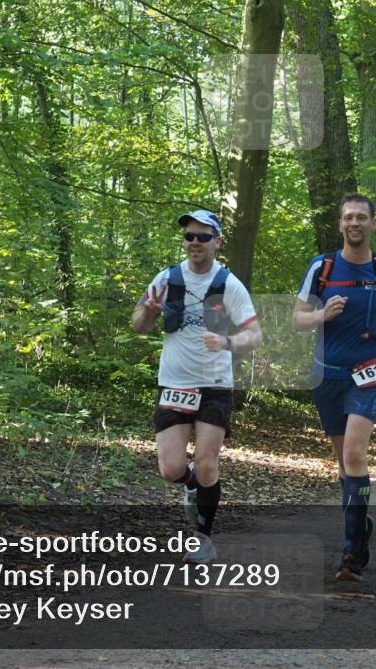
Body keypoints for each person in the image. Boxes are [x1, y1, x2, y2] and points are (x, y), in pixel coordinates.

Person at [292, 193, 376, 581]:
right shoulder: (322, 268)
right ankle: (361, 525)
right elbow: (297, 320)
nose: (354, 223)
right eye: (348, 217)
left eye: (361, 217)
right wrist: (322, 315)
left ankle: (350, 552)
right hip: (327, 374)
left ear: (373, 223)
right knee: (343, 464)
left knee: (355, 454)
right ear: (341, 224)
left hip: (369, 370)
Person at [132, 209, 262, 564]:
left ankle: (203, 538)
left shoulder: (229, 284)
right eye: (189, 236)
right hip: (174, 382)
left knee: (207, 463)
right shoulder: (167, 278)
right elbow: (138, 325)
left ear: (217, 241)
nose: (194, 242)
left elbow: (254, 335)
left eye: (203, 237)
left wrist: (228, 343)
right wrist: (149, 312)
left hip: (214, 385)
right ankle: (190, 486)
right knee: (171, 470)